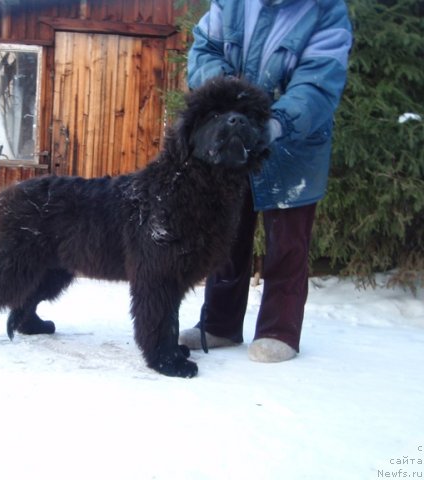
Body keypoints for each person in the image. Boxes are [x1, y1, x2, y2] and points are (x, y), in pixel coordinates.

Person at [178, 0, 353, 362]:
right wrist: (229, 102)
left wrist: (274, 124)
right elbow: (205, 48)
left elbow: (319, 82)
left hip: (294, 142)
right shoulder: (232, 4)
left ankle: (279, 330)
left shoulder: (325, 11)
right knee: (226, 235)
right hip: (233, 139)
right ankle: (220, 325)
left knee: (288, 242)